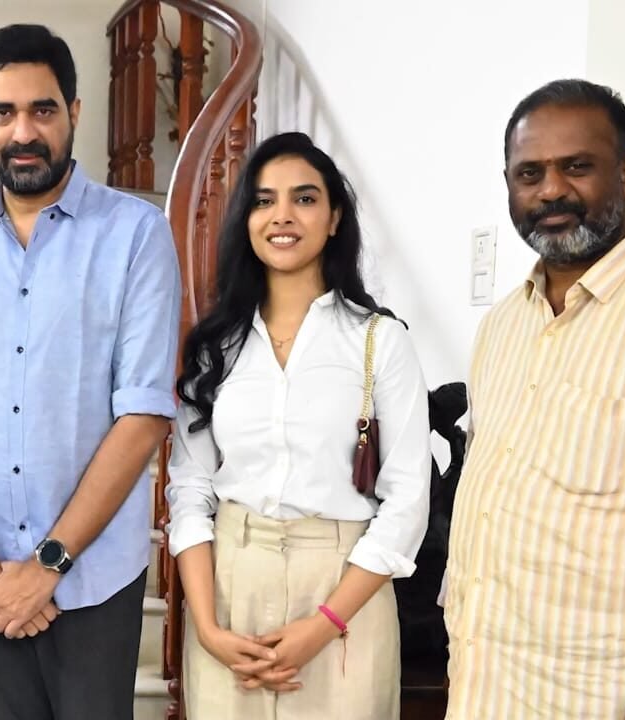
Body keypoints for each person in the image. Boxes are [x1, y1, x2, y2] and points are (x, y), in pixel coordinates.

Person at [0, 23, 182, 720]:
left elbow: (143, 413)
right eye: (3, 112)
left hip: (95, 578)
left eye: (42, 110)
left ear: (74, 112)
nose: (23, 132)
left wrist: (48, 565)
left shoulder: (136, 234)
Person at [166, 131, 431, 719]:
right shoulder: (215, 348)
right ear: (246, 220)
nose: (282, 215)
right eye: (264, 201)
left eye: (304, 199)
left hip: (344, 590)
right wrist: (207, 627)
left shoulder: (379, 340)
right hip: (231, 585)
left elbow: (408, 500)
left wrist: (325, 623)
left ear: (334, 219)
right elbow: (190, 490)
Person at [445, 79, 625, 719]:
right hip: (485, 682)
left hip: (609, 693)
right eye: (530, 173)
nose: (550, 190)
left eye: (576, 166)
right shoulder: (502, 325)